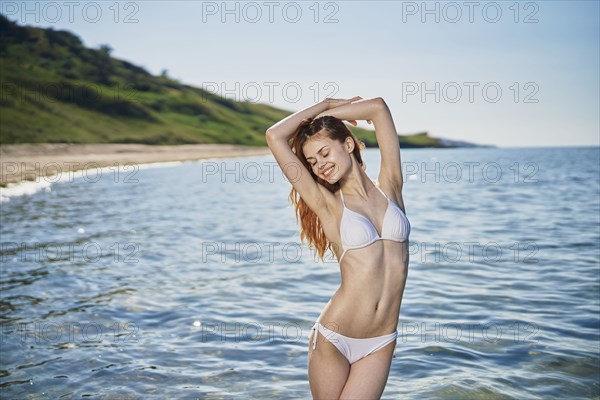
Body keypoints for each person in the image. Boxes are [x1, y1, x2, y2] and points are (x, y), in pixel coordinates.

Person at [265, 96, 411, 399]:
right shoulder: (328, 205)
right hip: (335, 338)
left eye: (324, 152)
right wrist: (324, 105)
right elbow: (274, 136)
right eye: (313, 162)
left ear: (348, 144)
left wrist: (331, 114)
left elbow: (379, 108)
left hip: (381, 342)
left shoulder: (391, 186)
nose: (320, 166)